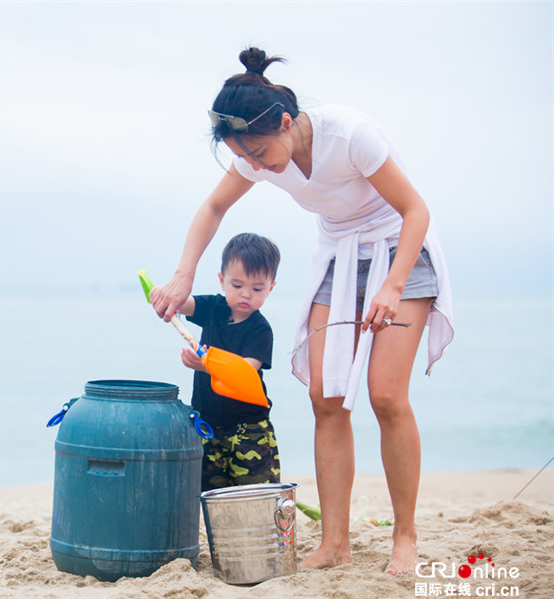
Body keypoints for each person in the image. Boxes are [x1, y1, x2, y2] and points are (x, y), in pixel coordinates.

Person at [149, 48, 453, 574]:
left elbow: (415, 210)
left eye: (263, 152)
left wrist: (392, 285)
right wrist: (182, 276)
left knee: (385, 394)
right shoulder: (255, 153)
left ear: (286, 122)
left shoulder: (350, 134)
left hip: (400, 252)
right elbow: (213, 207)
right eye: (248, 157)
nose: (260, 166)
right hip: (339, 258)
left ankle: (405, 535)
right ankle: (335, 542)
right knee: (325, 397)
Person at [157, 232, 281, 492]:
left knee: (255, 492)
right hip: (208, 424)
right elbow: (183, 305)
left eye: (257, 289)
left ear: (270, 288)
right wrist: (165, 296)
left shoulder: (260, 330)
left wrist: (206, 365)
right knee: (211, 492)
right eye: (237, 286)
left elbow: (245, 372)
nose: (246, 294)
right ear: (222, 281)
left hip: (249, 429)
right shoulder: (215, 307)